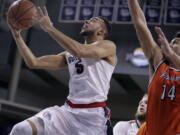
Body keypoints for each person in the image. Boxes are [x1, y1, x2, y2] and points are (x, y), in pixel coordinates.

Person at [8, 6, 117, 135]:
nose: (86, 21)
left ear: (102, 31)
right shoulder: (69, 54)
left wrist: (49, 28)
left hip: (93, 118)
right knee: (21, 129)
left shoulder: (108, 46)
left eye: (93, 20)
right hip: (67, 112)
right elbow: (34, 62)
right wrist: (17, 36)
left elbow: (80, 51)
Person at [127, 0, 180, 135]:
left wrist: (171, 54)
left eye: (178, 42)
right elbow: (140, 25)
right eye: (173, 41)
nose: (172, 43)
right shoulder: (159, 62)